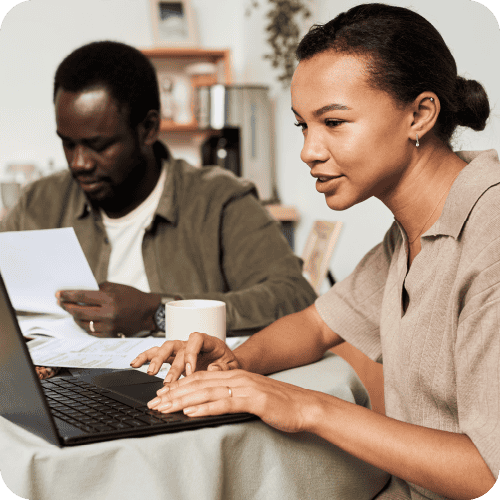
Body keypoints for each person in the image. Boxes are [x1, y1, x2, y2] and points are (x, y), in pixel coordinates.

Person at [131, 3, 499, 499]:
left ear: (419, 114)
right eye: (304, 125)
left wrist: (307, 406)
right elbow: (316, 324)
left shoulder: (489, 237)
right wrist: (234, 366)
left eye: (334, 122)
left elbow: (487, 472)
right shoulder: (411, 233)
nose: (308, 150)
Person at [0, 40, 317, 339]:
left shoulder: (219, 199)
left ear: (149, 128)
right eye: (68, 144)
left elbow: (293, 296)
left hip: (183, 389)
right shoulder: (39, 202)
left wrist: (159, 313)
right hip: (66, 389)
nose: (79, 162)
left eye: (99, 145)